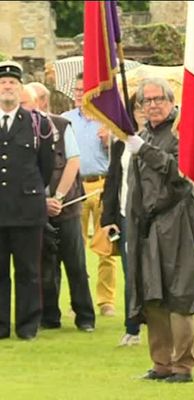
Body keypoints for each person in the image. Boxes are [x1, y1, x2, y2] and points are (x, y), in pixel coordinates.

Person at [125, 77, 194, 383]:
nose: (153, 105)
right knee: (152, 294)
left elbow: (181, 173)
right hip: (146, 226)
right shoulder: (144, 133)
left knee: (179, 293)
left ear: (171, 101)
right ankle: (160, 362)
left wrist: (144, 151)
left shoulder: (180, 131)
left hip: (176, 223)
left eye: (159, 99)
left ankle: (182, 364)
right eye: (147, 101)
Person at [22, 82, 95, 332]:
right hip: (36, 210)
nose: (21, 108)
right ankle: (49, 316)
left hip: (68, 207)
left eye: (25, 102)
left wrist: (59, 198)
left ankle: (85, 316)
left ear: (40, 102)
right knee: (44, 266)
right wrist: (42, 203)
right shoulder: (18, 130)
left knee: (75, 263)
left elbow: (73, 163)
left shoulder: (62, 126)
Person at [0, 60, 54, 340]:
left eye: (12, 83)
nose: (7, 87)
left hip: (27, 209)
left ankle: (27, 326)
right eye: (3, 83)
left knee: (29, 272)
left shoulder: (37, 122)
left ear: (20, 89)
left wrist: (32, 193)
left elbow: (45, 167)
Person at [62, 72, 118, 317]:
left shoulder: (109, 120)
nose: (77, 93)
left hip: (104, 185)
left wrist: (110, 142)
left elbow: (123, 155)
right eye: (75, 89)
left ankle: (106, 300)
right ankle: (80, 299)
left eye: (81, 90)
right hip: (75, 187)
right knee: (76, 246)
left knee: (106, 245)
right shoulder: (64, 120)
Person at [100, 94, 144, 346]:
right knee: (131, 272)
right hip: (126, 217)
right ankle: (132, 327)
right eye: (137, 106)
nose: (143, 110)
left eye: (146, 105)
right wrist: (109, 218)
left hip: (151, 216)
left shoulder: (157, 140)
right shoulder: (121, 143)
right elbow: (112, 181)